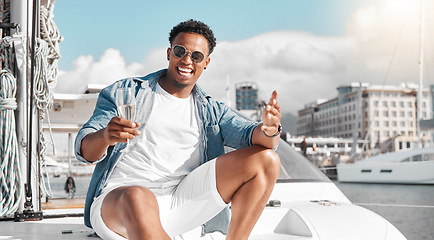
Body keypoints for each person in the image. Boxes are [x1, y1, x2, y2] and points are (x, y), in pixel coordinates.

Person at [75, 19, 282, 240]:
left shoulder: (211, 110)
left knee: (267, 160)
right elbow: (85, 151)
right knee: (137, 196)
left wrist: (269, 129)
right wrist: (106, 135)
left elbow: (253, 136)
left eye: (196, 56)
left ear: (206, 63)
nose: (186, 60)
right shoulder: (124, 93)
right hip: (120, 203)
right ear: (168, 53)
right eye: (180, 51)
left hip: (182, 202)